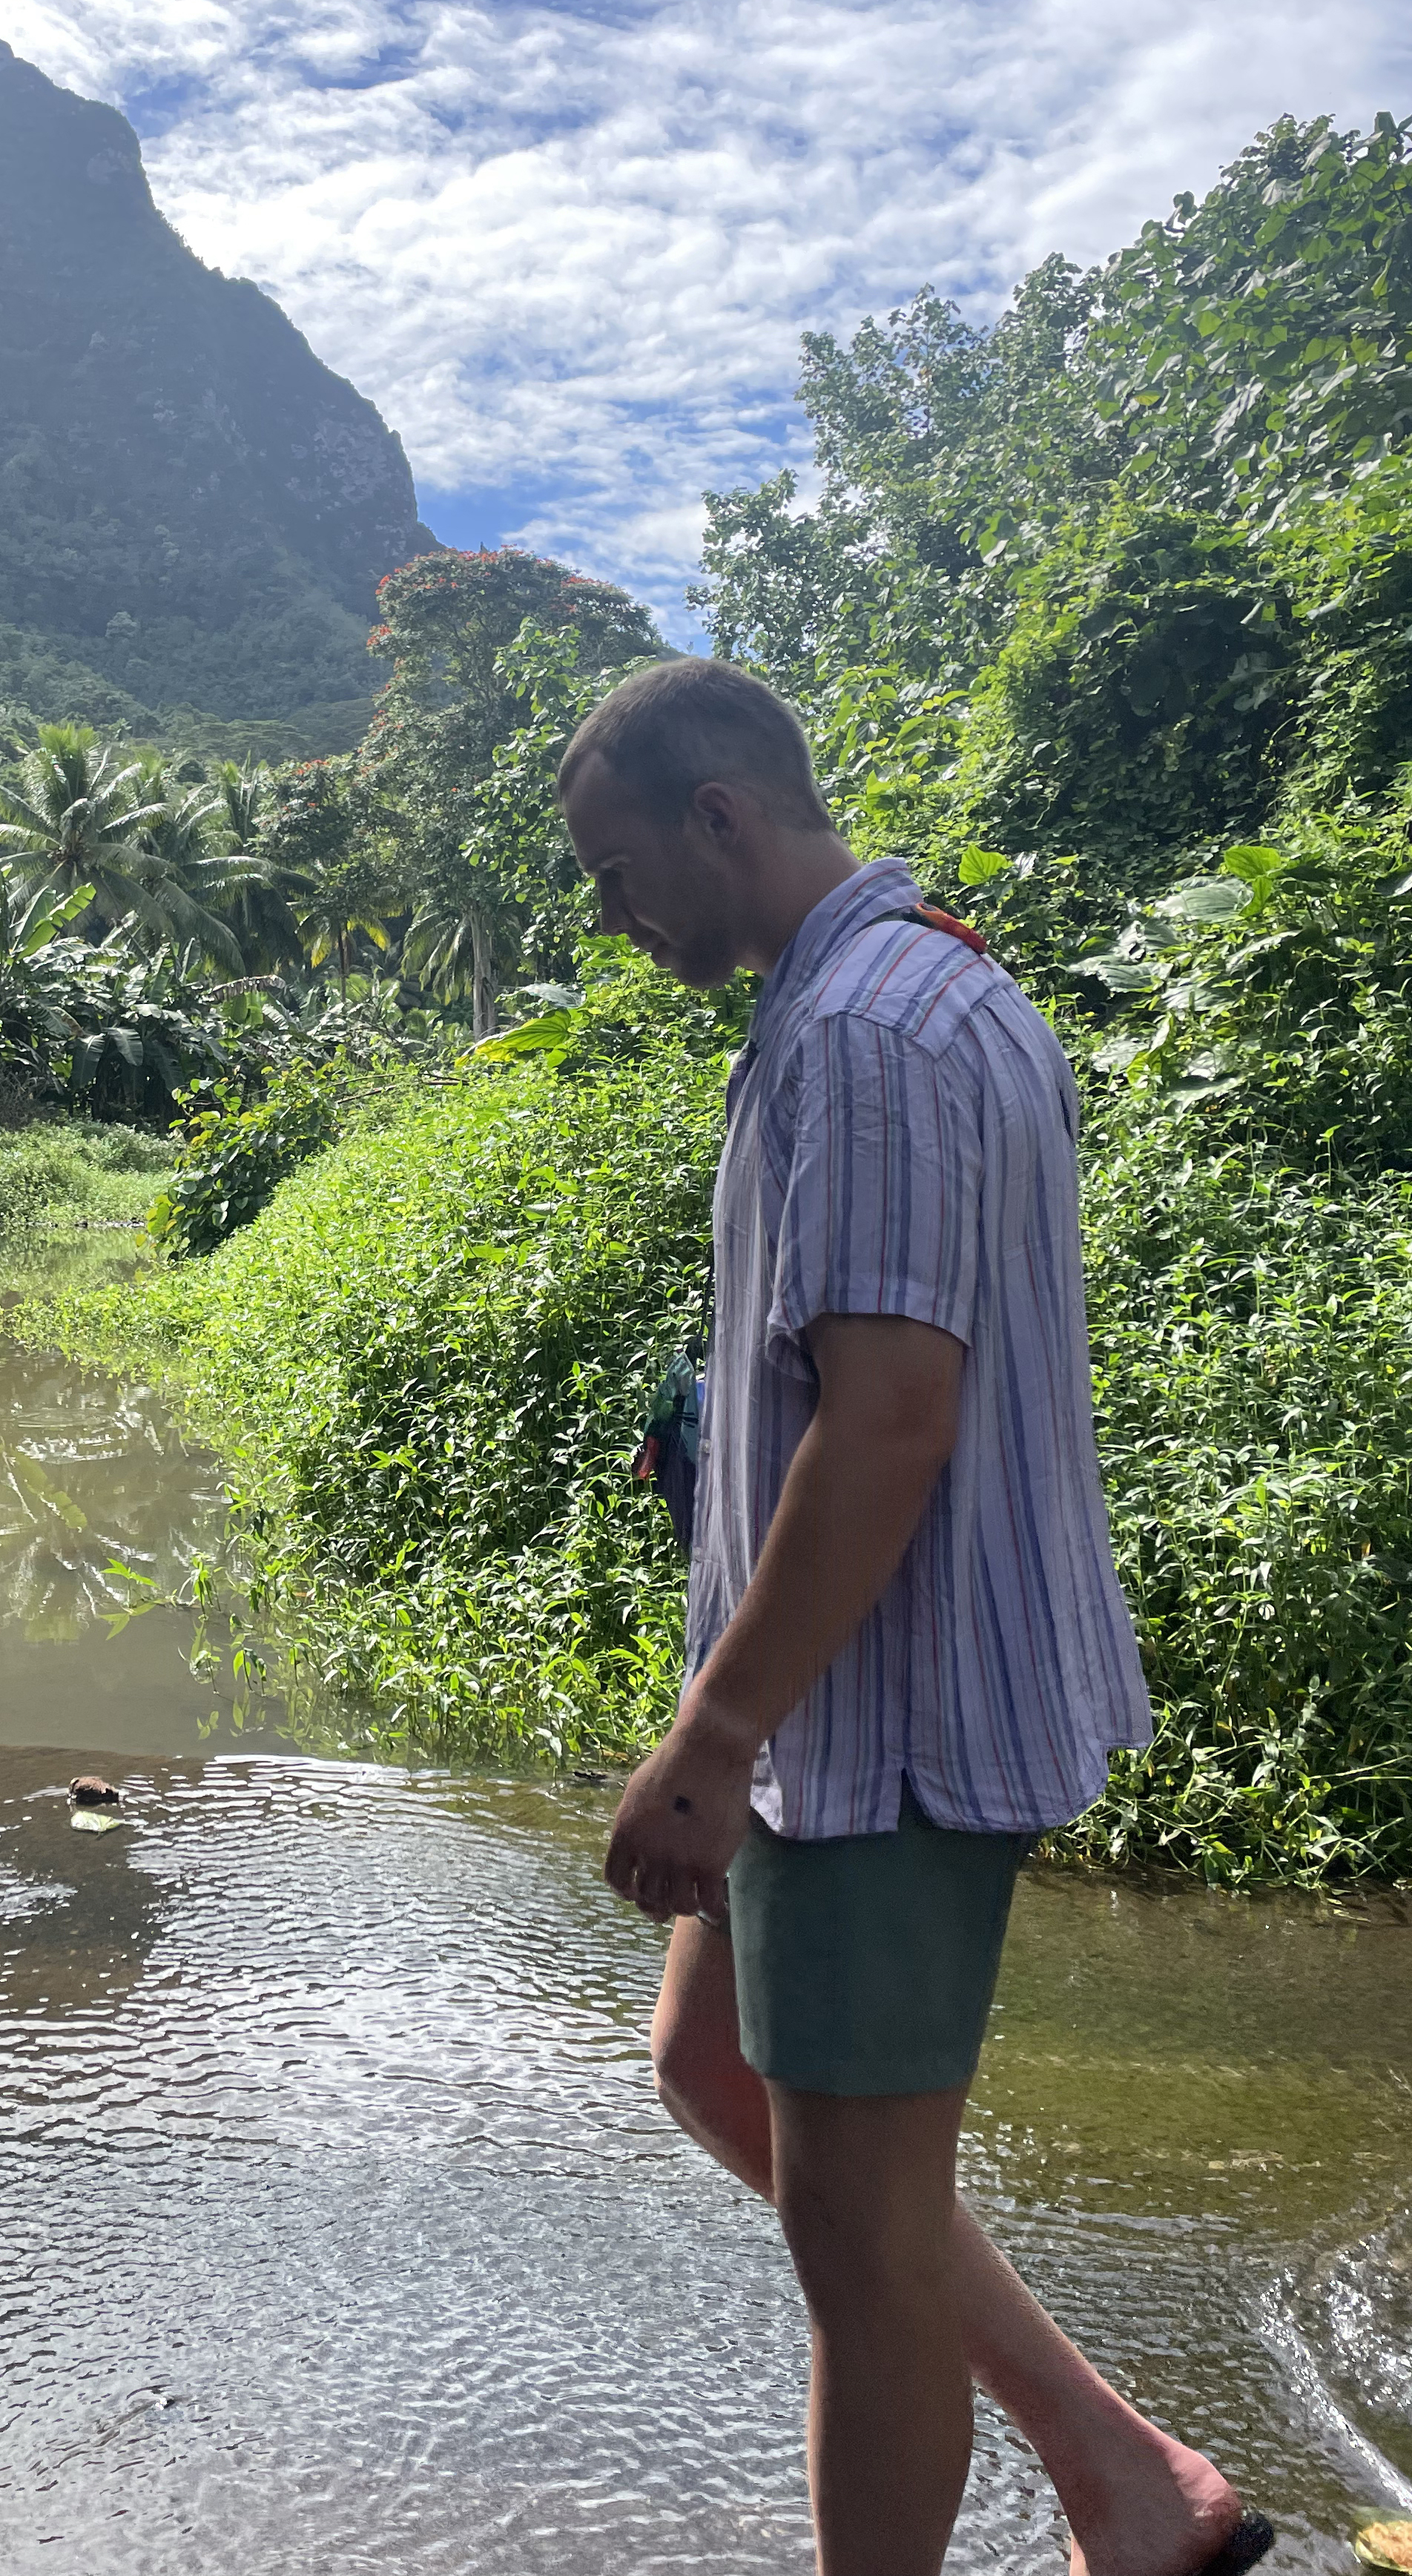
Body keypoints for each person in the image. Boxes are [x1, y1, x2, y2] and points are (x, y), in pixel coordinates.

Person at [558, 657, 1273, 2576]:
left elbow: (891, 1422)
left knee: (859, 2262)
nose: (613, 917)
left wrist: (711, 1739)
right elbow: (862, 1372)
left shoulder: (869, 1031)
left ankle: (1098, 2500)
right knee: (714, 2070)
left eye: (621, 872)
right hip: (843, 1721)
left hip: (884, 1728)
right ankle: (1128, 2481)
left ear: (722, 819)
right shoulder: (898, 989)